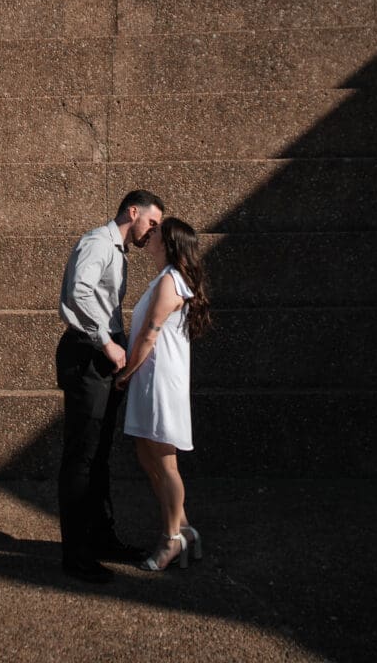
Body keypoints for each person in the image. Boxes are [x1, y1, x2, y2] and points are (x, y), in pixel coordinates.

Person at [56, 189, 165, 584]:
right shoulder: (98, 243)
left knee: (98, 456)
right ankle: (77, 556)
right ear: (132, 212)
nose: (151, 232)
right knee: (81, 458)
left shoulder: (116, 250)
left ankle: (100, 540)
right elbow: (78, 294)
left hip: (102, 358)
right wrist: (107, 342)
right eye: (151, 223)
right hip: (87, 355)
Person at [116, 216, 212, 571]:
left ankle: (172, 538)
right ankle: (184, 528)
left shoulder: (171, 281)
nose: (150, 233)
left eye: (157, 232)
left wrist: (124, 375)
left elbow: (148, 336)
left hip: (158, 380)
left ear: (169, 243)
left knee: (164, 460)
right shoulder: (164, 278)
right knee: (147, 454)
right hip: (149, 378)